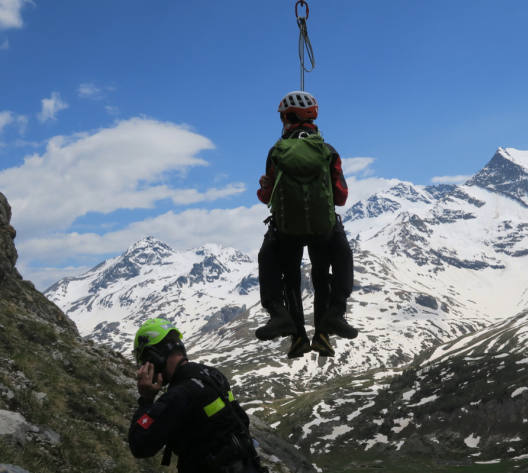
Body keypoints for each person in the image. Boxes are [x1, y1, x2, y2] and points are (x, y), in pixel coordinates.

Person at [255, 90, 357, 358]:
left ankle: (290, 328)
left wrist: (263, 188)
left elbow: (267, 197)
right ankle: (329, 325)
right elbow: (342, 196)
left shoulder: (276, 152)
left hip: (286, 230)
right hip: (323, 229)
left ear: (288, 117)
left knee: (285, 273)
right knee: (324, 273)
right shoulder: (328, 151)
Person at [129, 318, 267, 473]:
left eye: (144, 360)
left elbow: (139, 445)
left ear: (154, 357)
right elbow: (241, 420)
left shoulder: (180, 394)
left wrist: (146, 399)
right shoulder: (213, 375)